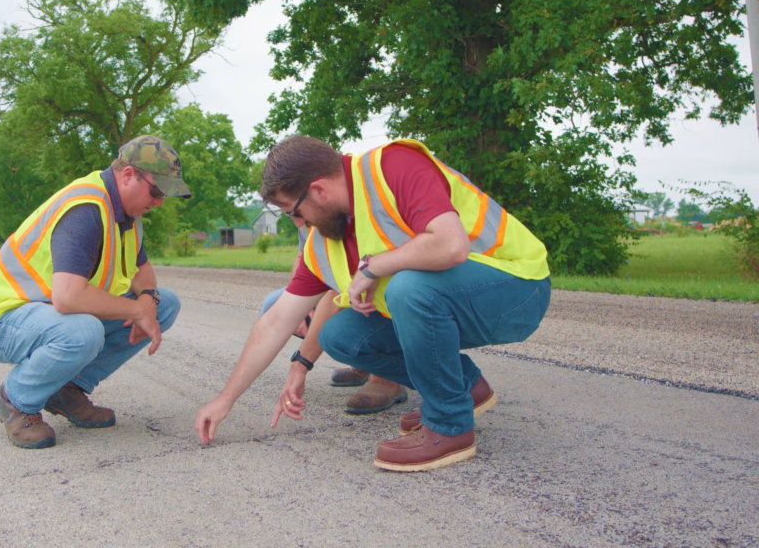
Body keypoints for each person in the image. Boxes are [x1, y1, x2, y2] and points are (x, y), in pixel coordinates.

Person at [195, 136, 551, 472]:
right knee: (340, 334)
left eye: (294, 211)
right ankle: (462, 389)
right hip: (457, 304)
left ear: (317, 190)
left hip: (518, 289)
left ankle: (450, 427)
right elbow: (274, 323)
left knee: (408, 286)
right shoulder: (324, 240)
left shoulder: (392, 167)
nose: (298, 223)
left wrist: (375, 266)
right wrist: (225, 400)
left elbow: (450, 245)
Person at [0, 136, 189, 449]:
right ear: (127, 176)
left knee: (166, 304)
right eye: (157, 190)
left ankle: (66, 389)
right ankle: (15, 400)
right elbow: (68, 298)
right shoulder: (86, 209)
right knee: (84, 331)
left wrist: (148, 302)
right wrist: (137, 311)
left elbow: (143, 271)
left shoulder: (128, 215)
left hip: (45, 316)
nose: (160, 201)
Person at [260, 220, 407, 414]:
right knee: (275, 305)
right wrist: (301, 302)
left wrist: (301, 363)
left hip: (372, 285)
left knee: (335, 333)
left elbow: (335, 292)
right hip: (337, 286)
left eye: (293, 210)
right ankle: (362, 362)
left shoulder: (338, 213)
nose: (296, 221)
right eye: (288, 213)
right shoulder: (304, 215)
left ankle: (385, 377)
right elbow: (302, 257)